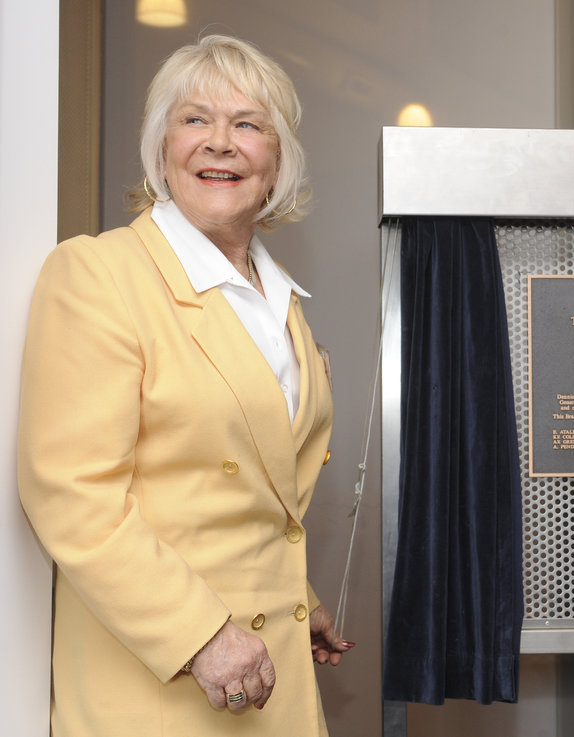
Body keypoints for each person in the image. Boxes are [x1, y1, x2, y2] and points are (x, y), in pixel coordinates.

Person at [17, 35, 353, 737]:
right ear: (162, 148)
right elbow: (73, 493)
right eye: (194, 119)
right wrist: (201, 635)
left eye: (248, 124)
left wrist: (295, 598)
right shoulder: (98, 275)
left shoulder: (278, 300)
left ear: (277, 161)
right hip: (160, 690)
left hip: (272, 682)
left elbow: (247, 497)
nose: (220, 143)